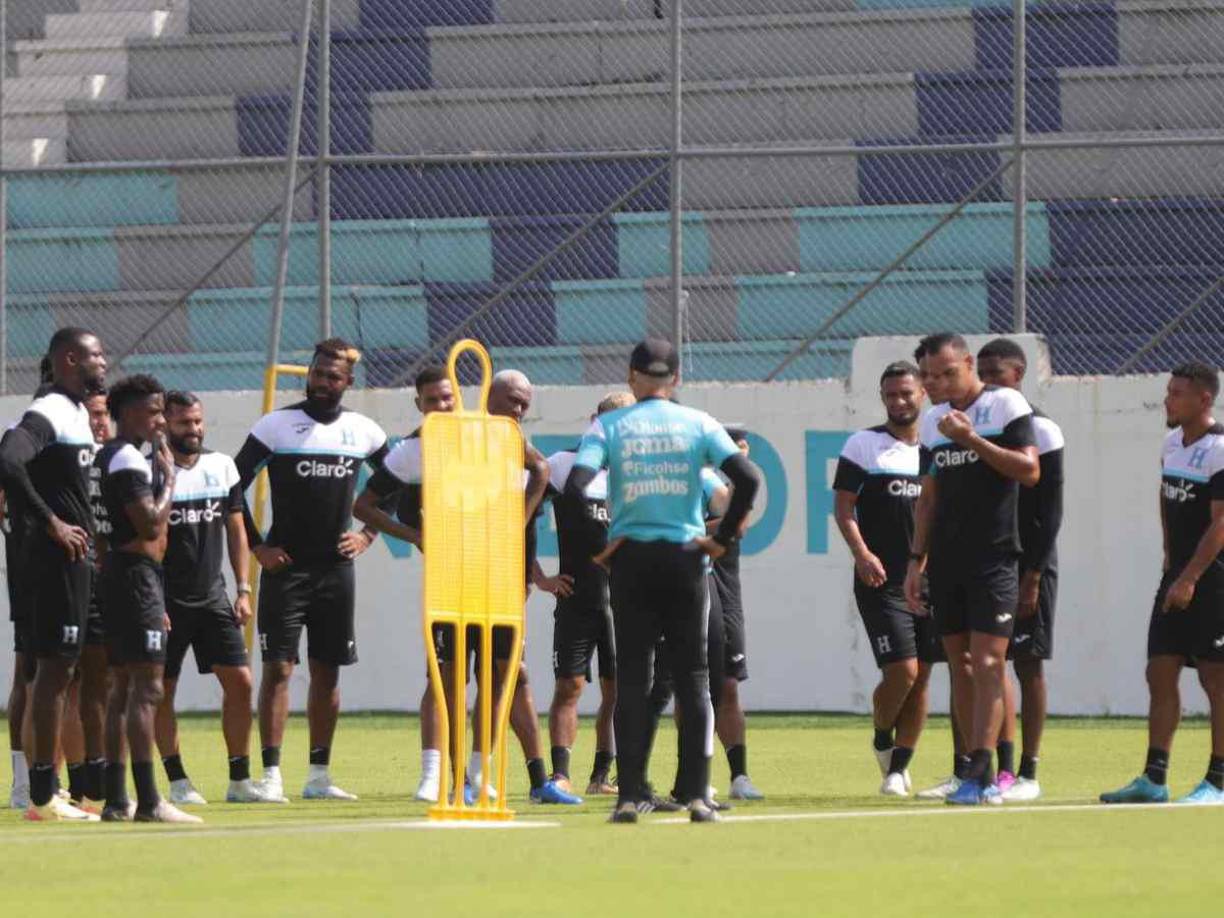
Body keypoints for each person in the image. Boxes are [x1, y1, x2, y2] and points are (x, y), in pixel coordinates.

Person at [352, 369, 580, 805]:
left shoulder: (489, 436)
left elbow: (540, 469)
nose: (442, 407)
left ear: (461, 399)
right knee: (447, 676)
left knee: (503, 676)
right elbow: (364, 503)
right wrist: (416, 536)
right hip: (451, 577)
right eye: (433, 400)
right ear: (419, 405)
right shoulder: (414, 449)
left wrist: (517, 525)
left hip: (498, 578)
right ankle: (440, 774)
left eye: (448, 399)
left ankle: (492, 774)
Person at [566, 338, 760, 824]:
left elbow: (574, 487)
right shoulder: (698, 422)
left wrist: (598, 549)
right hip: (686, 558)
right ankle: (697, 795)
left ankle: (629, 796)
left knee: (634, 676)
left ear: (631, 377)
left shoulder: (609, 425)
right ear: (675, 380)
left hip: (631, 559)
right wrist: (725, 539)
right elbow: (749, 478)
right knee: (694, 676)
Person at [235, 339, 389, 803]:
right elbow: (229, 486)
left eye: (332, 376)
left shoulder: (364, 431)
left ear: (348, 382)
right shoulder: (276, 426)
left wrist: (367, 534)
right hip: (287, 569)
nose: (322, 382)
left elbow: (396, 482)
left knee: (328, 672)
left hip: (336, 571)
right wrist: (259, 546)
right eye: (317, 373)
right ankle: (273, 775)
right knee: (278, 669)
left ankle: (318, 776)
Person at [904, 333, 1039, 806]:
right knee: (959, 667)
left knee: (987, 663)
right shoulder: (933, 418)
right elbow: (929, 495)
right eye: (928, 376)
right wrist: (916, 561)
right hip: (948, 561)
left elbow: (1029, 470)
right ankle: (969, 768)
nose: (936, 382)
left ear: (968, 364)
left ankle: (987, 769)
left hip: (995, 556)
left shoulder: (1004, 405)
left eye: (946, 372)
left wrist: (973, 439)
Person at [1102, 362, 1224, 805]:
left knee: (1216, 678)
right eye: (1168, 391)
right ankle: (1154, 777)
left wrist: (1190, 576)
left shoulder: (1219, 448)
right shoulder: (1172, 443)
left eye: (1177, 394)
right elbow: (1165, 496)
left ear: (1204, 400)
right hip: (1177, 576)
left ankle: (1219, 781)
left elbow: (1221, 523)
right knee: (1160, 670)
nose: (1168, 400)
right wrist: (1171, 561)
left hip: (1212, 580)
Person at [0, 328, 107, 822]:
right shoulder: (51, 410)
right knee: (52, 672)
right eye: (95, 355)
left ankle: (53, 792)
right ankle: (42, 796)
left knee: (66, 672)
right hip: (52, 561)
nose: (103, 363)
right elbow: (9, 458)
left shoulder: (79, 412)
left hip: (74, 561)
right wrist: (52, 522)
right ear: (69, 359)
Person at [93, 373, 200, 823]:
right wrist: (171, 479)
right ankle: (151, 801)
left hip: (120, 577)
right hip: (137, 578)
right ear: (133, 412)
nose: (161, 420)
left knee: (121, 689)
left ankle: (118, 800)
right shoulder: (128, 462)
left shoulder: (108, 457)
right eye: (155, 411)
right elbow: (152, 526)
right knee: (146, 689)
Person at [154, 391, 270, 805]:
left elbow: (236, 530)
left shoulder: (221, 467)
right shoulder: (152, 472)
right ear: (165, 424)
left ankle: (240, 780)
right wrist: (153, 601)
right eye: (185, 423)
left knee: (240, 682)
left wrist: (243, 588)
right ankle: (178, 782)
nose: (195, 430)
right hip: (165, 603)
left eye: (199, 422)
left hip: (214, 599)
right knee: (161, 690)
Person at [834, 361, 935, 797]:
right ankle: (881, 735)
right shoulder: (864, 444)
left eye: (905, 394)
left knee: (923, 676)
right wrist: (863, 554)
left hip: (931, 581)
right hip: (882, 581)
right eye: (890, 395)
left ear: (922, 395)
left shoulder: (937, 449)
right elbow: (844, 509)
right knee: (902, 671)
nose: (898, 402)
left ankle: (899, 767)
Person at [977, 339, 1064, 802]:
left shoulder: (1043, 430)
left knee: (1027, 665)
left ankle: (1029, 771)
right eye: (983, 370)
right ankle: (994, 771)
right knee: (988, 665)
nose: (989, 379)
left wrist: (1033, 575)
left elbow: (1050, 512)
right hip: (990, 562)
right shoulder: (977, 426)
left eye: (998, 371)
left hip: (1029, 564)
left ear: (1019, 374)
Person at [537, 391, 635, 797]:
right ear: (595, 420)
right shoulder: (563, 465)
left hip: (625, 601)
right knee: (569, 687)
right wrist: (538, 577)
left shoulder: (634, 473)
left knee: (618, 691)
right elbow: (522, 516)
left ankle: (602, 777)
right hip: (577, 598)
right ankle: (561, 774)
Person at [5, 356, 55, 810]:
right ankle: (25, 779)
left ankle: (55, 779)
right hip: (31, 566)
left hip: (62, 565)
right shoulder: (22, 430)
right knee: (32, 669)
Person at [60, 388, 112, 813]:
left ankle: (99, 784)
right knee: (69, 683)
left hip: (111, 584)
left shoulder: (117, 460)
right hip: (72, 581)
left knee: (105, 684)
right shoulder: (66, 460)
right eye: (95, 413)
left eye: (106, 414)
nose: (101, 421)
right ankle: (70, 784)